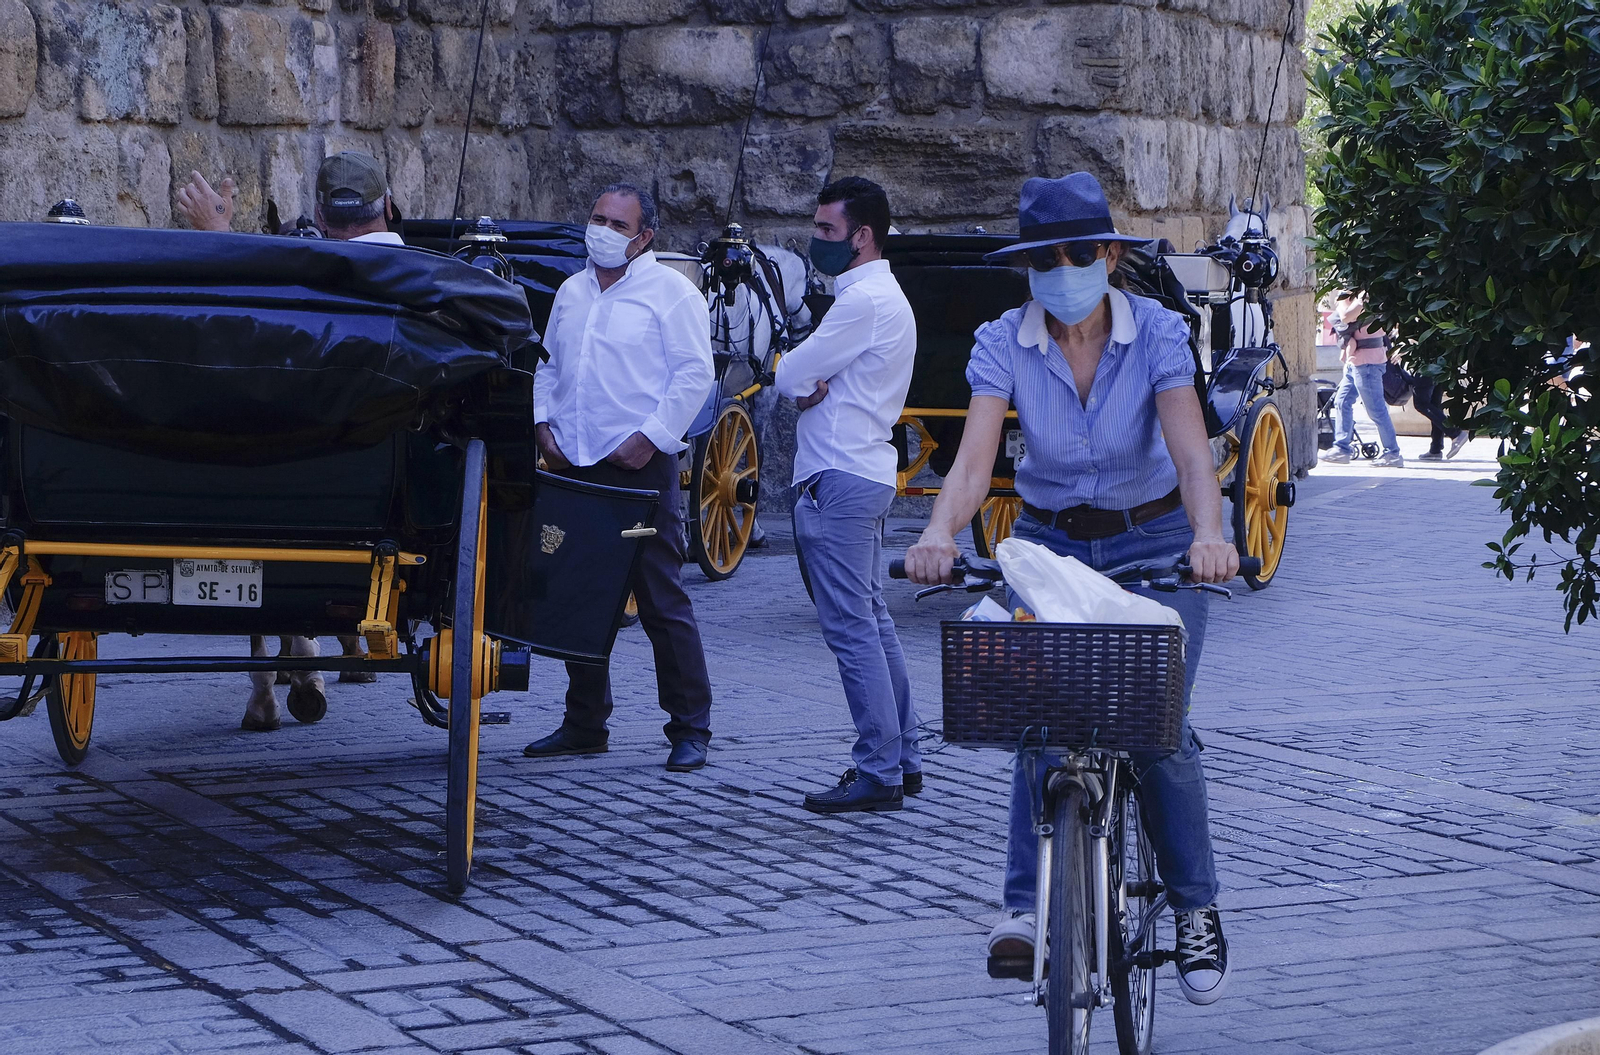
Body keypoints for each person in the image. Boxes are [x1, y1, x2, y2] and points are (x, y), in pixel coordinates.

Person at [902, 173, 1236, 1006]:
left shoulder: (1156, 329)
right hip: (1051, 546)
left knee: (1157, 724)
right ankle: (1023, 906)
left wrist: (1209, 535)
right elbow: (976, 463)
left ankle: (1196, 904)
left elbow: (1192, 452)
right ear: (1027, 267)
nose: (1062, 269)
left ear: (1111, 256)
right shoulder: (1001, 342)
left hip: (1157, 540)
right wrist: (939, 531)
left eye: (1079, 252)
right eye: (1043, 258)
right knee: (1035, 719)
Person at [174, 152, 406, 730]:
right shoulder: (422, 277)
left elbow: (246, 313)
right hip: (372, 481)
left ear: (323, 219)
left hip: (265, 468)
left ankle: (272, 681)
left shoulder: (300, 270)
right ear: (390, 208)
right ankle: (299, 662)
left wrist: (220, 239)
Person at [523, 183, 717, 773]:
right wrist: (541, 424)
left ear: (644, 237)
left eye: (616, 223)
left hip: (639, 468)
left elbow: (694, 375)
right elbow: (547, 365)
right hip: (573, 462)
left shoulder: (671, 294)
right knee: (578, 596)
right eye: (596, 217)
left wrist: (651, 437)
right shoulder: (571, 291)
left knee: (659, 597)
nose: (601, 230)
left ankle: (690, 728)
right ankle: (585, 722)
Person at [774, 177, 920, 814]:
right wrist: (809, 379)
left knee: (852, 629)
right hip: (863, 472)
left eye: (827, 231)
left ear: (862, 237)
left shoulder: (861, 302)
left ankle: (880, 768)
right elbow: (808, 377)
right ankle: (901, 757)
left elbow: (790, 372)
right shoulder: (881, 296)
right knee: (873, 622)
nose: (817, 241)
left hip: (839, 476)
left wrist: (801, 377)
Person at [1323, 291, 1403, 467]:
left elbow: (1345, 317)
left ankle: (1393, 453)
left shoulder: (1377, 299)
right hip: (1356, 362)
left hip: (1368, 363)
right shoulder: (1348, 297)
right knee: (1342, 401)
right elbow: (1344, 316)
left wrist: (1362, 299)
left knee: (1376, 409)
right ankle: (1342, 448)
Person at [1411, 375, 1469, 461]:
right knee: (1435, 405)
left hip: (1426, 367)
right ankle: (1436, 448)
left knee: (1421, 404)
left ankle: (1455, 433)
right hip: (1439, 367)